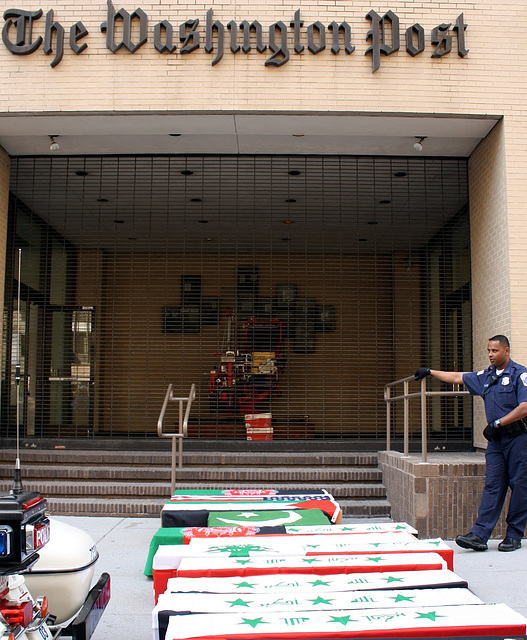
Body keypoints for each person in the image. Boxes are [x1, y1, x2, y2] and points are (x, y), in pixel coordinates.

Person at [415, 334, 527, 552]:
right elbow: (458, 377)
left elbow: (524, 407)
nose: (490, 355)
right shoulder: (487, 376)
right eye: (488, 351)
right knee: (493, 486)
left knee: (520, 486)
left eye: (495, 351)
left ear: (507, 351)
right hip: (496, 442)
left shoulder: (519, 375)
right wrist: (430, 372)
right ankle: (479, 535)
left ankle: (513, 536)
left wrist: (498, 423)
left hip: (517, 440)